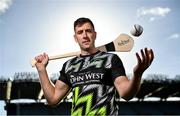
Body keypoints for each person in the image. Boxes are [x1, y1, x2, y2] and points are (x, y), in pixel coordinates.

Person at [34, 17, 154, 115]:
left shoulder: (110, 59)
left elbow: (126, 94)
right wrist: (42, 70)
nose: (85, 35)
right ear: (75, 38)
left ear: (95, 34)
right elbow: (53, 99)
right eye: (80, 32)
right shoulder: (69, 65)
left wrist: (137, 74)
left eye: (88, 31)